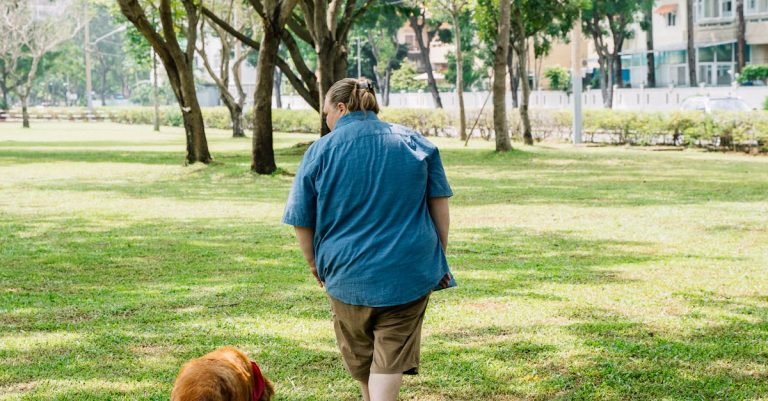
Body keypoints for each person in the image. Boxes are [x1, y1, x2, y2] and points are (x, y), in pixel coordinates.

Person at [282, 78, 454, 401]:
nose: (326, 121)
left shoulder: (319, 152)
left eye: (326, 114)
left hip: (344, 275)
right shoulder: (415, 143)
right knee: (386, 360)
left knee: (361, 357)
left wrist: (314, 265)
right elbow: (440, 208)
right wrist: (435, 255)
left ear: (341, 108)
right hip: (408, 273)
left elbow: (301, 221)